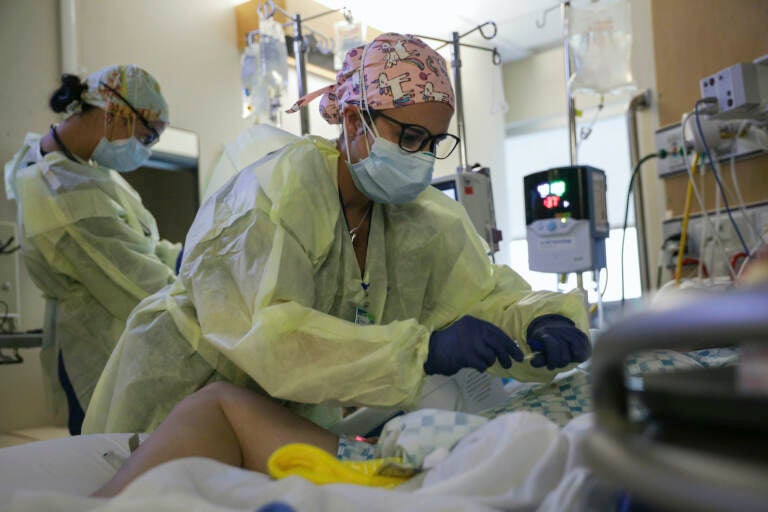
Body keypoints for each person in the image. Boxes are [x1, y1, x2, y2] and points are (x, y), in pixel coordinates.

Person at [83, 33, 590, 436]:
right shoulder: (272, 195)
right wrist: (422, 350)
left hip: (280, 417)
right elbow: (274, 340)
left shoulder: (415, 215)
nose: (423, 157)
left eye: (435, 142)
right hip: (183, 395)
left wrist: (539, 319)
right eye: (409, 137)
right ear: (352, 118)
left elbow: (483, 293)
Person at [3, 65, 181, 434]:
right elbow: (138, 283)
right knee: (110, 456)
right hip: (98, 344)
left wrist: (184, 254)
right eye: (147, 138)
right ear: (117, 114)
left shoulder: (78, 167)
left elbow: (135, 242)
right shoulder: (64, 194)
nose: (145, 151)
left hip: (111, 332)